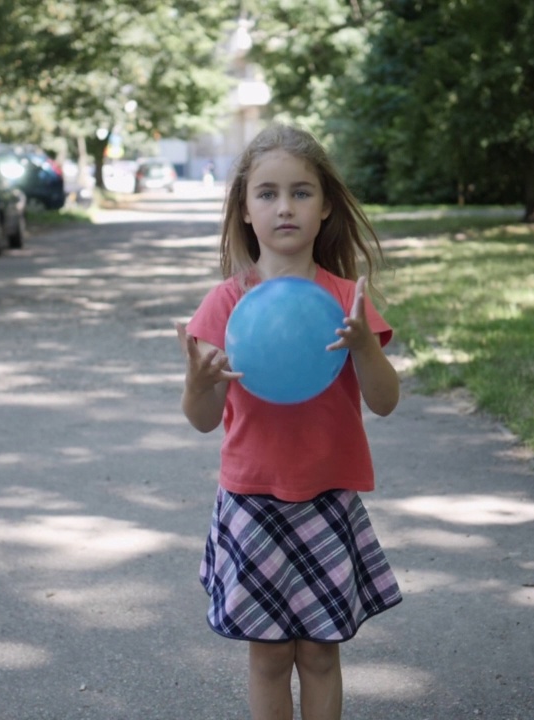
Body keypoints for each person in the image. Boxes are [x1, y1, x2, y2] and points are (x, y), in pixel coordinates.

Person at [175, 123, 402, 720]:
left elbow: (385, 401)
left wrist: (363, 347)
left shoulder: (345, 299)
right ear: (245, 210)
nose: (285, 207)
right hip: (252, 502)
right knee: (270, 658)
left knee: (322, 656)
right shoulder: (225, 303)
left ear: (325, 207)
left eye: (301, 193)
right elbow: (202, 420)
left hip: (328, 498)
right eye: (268, 193)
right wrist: (198, 384)